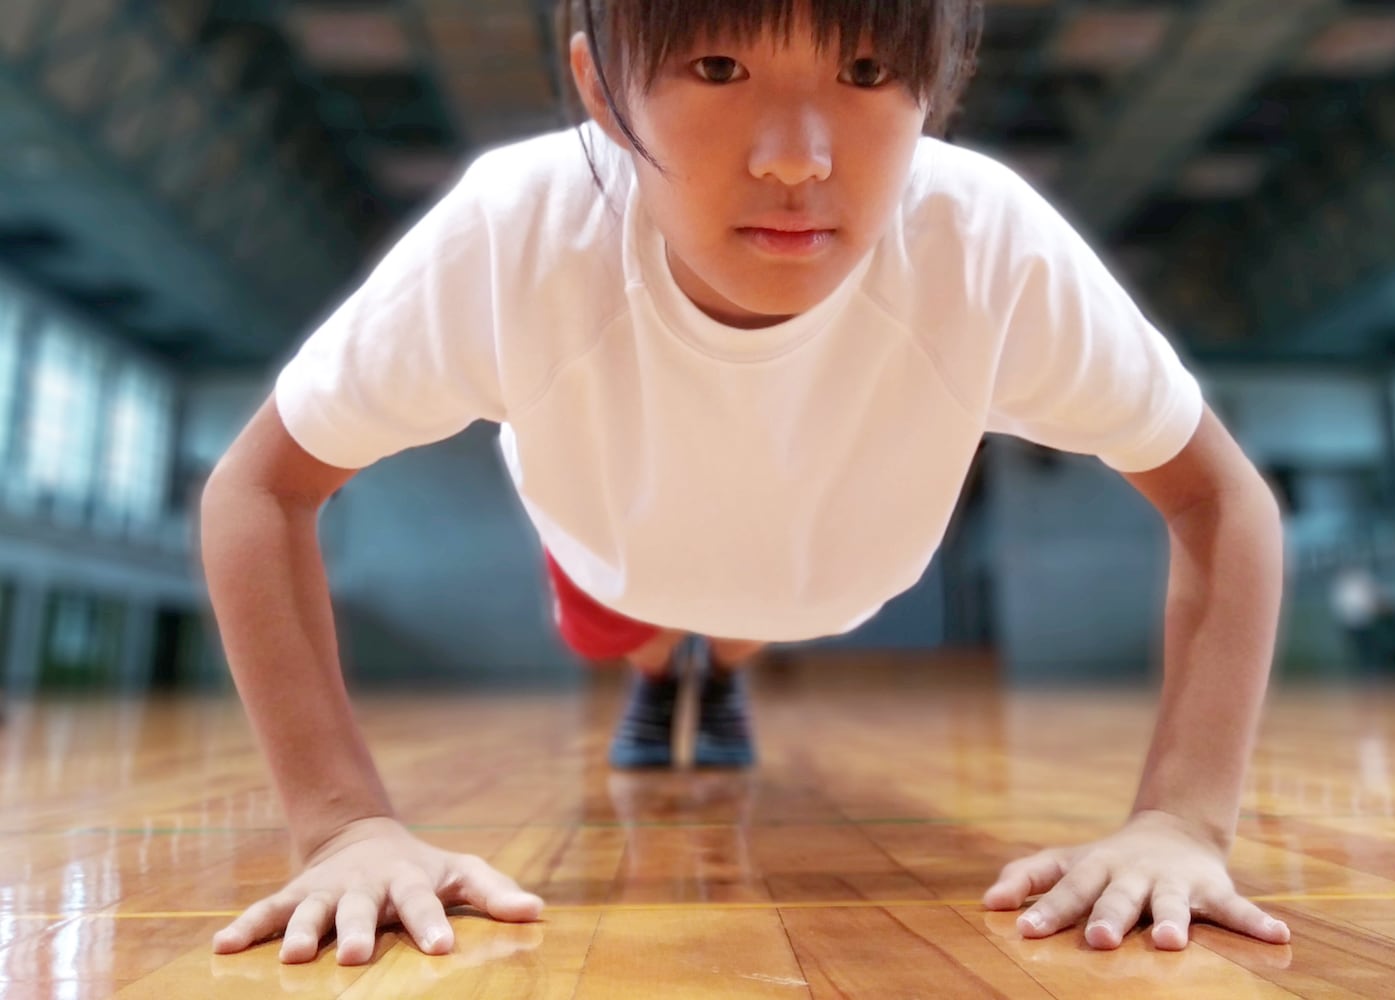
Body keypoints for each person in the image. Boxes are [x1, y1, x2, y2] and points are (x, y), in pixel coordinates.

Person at [201, 0, 1291, 968]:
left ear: (934, 93)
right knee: (629, 631)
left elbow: (1222, 499)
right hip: (608, 541)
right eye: (719, 68)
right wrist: (343, 826)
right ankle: (664, 674)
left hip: (829, 574)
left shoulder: (988, 244)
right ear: (602, 89)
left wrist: (1182, 823)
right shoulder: (514, 229)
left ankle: (707, 672)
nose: (795, 158)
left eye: (865, 73)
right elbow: (257, 490)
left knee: (743, 620)